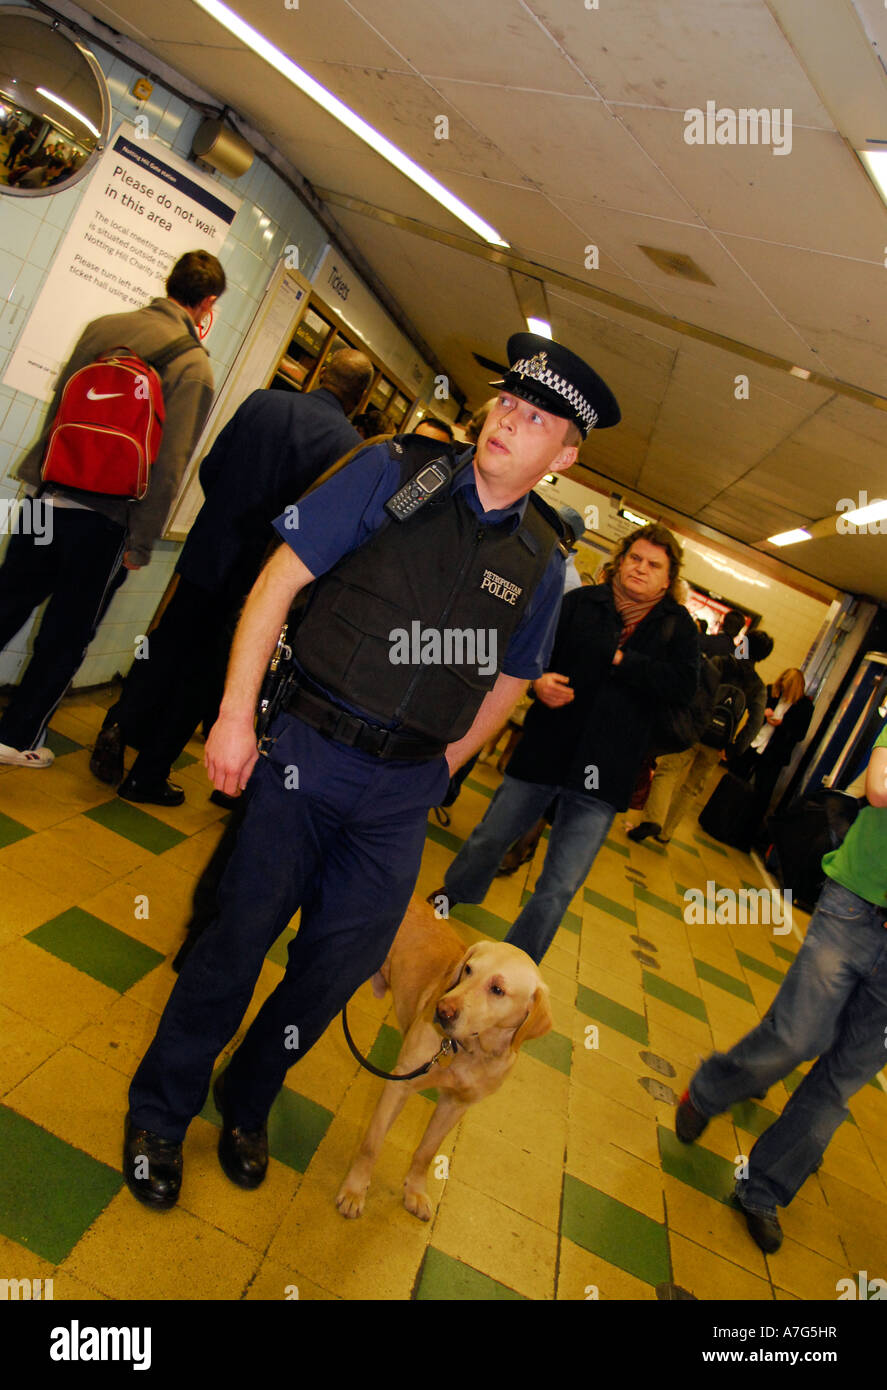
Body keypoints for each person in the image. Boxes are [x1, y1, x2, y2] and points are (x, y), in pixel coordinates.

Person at [122, 331, 622, 1209]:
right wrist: (236, 715)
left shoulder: (542, 558)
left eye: (536, 417)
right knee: (234, 942)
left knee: (331, 970)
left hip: (401, 794)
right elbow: (277, 581)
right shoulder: (392, 472)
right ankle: (161, 1114)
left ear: (563, 455)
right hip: (306, 753)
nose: (510, 419)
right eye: (507, 400)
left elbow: (512, 675)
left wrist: (445, 767)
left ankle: (247, 1100)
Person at [89, 348, 374, 805]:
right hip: (256, 577)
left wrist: (225, 516)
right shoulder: (347, 447)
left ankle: (120, 723)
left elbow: (211, 467)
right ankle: (147, 774)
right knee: (205, 672)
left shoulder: (263, 402)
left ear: (321, 372)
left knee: (166, 643)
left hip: (208, 550)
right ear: (361, 398)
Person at [433, 522, 699, 964]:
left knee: (560, 882)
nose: (640, 569)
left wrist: (623, 660)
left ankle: (520, 958)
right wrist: (538, 682)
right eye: (635, 558)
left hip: (606, 771)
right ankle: (451, 897)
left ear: (668, 580)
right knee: (490, 837)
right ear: (620, 559)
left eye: (654, 565)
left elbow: (682, 687)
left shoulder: (678, 630)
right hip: (546, 749)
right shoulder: (580, 604)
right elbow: (533, 654)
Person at [0, 250, 224, 769]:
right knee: (67, 634)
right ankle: (15, 737)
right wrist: (141, 544)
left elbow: (63, 403)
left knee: (6, 601)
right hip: (106, 521)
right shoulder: (194, 366)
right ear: (207, 303)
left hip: (47, 495)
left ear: (168, 283)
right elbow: (168, 466)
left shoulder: (105, 327)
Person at [676, 727, 887, 1254]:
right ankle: (712, 1088)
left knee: (840, 1082)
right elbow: (880, 788)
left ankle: (762, 1190)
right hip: (855, 905)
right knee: (798, 1036)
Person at [629, 626, 774, 845]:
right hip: (718, 744)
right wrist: (735, 748)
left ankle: (653, 819)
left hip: (692, 732)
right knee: (692, 788)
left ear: (743, 643)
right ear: (763, 657)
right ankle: (666, 833)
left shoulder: (720, 663)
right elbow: (755, 722)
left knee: (667, 772)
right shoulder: (758, 686)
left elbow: (693, 691)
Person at [727, 667, 814, 844]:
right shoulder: (770, 692)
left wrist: (783, 723)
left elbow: (800, 734)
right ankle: (725, 820)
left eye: (786, 687)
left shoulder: (805, 707)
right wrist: (763, 712)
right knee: (734, 780)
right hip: (754, 743)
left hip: (774, 753)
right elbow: (751, 708)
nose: (782, 689)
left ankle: (744, 835)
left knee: (762, 794)